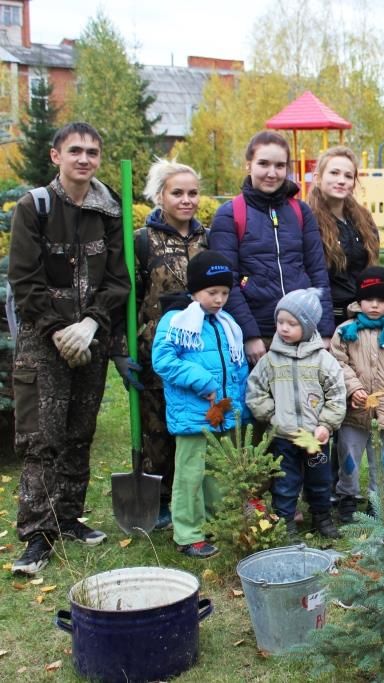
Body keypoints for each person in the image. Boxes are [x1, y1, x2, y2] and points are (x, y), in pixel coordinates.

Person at [8, 122, 131, 575]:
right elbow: (24, 279)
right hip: (44, 344)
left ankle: (68, 517)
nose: (84, 159)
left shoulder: (109, 210)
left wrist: (92, 323)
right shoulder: (34, 207)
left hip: (90, 341)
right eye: (75, 150)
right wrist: (59, 329)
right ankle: (37, 534)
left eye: (93, 152)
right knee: (42, 439)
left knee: (80, 433)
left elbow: (119, 279)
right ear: (56, 156)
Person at [151, 251, 250, 558]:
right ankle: (188, 533)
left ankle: (216, 523)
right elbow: (163, 360)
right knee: (190, 475)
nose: (219, 299)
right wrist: (203, 381)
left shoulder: (226, 323)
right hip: (193, 415)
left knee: (217, 473)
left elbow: (237, 366)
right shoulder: (178, 321)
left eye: (224, 292)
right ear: (194, 290)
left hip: (222, 415)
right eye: (212, 292)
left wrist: (240, 405)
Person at [208, 131, 334, 367]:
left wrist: (325, 328)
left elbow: (318, 272)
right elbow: (227, 281)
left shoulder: (301, 212)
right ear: (249, 165)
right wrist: (250, 335)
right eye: (263, 164)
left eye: (280, 165)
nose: (272, 173)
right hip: (259, 335)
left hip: (303, 333)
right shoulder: (230, 214)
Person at [135, 159, 208, 530]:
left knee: (192, 423)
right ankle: (161, 497)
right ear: (160, 195)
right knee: (158, 426)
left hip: (198, 351)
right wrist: (123, 349)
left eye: (192, 193)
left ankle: (194, 494)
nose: (186, 200)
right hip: (155, 349)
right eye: (177, 192)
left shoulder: (205, 238)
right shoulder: (143, 240)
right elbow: (129, 297)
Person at [246, 288, 347, 539]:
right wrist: (272, 416)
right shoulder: (270, 360)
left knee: (319, 480)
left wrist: (326, 424)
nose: (284, 328)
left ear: (308, 325)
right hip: (283, 437)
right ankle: (286, 521)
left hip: (316, 437)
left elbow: (336, 394)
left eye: (292, 323)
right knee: (285, 482)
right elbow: (255, 390)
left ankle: (322, 516)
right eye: (280, 322)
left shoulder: (323, 361)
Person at [331, 267, 384, 523]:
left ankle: (379, 500)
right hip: (354, 407)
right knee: (349, 456)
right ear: (359, 300)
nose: (375, 305)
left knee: (383, 459)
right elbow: (338, 363)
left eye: (381, 300)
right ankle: (348, 497)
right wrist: (353, 388)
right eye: (369, 299)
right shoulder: (345, 330)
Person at [307, 146, 380, 325]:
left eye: (348, 176)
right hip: (325, 318)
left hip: (362, 317)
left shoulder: (363, 218)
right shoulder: (307, 219)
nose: (341, 180)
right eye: (334, 173)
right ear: (318, 178)